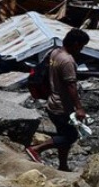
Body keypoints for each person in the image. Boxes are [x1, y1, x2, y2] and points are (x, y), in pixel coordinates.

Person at [26, 28, 90, 171]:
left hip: (52, 102)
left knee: (63, 135)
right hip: (62, 107)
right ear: (75, 43)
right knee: (71, 136)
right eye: (81, 46)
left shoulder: (55, 52)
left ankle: (63, 165)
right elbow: (71, 86)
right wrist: (79, 108)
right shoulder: (67, 61)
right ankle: (36, 149)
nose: (81, 49)